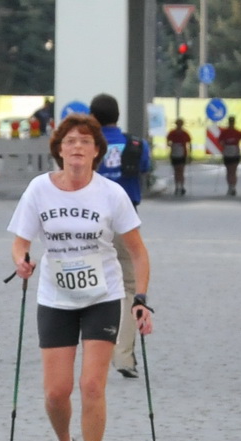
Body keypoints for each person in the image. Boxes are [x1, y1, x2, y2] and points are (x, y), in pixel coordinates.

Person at [8, 113, 154, 441]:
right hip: (55, 297)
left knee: (92, 385)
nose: (77, 148)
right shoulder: (39, 190)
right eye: (70, 141)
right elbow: (20, 241)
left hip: (100, 297)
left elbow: (139, 253)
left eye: (85, 142)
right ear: (59, 148)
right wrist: (22, 260)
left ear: (96, 152)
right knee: (57, 393)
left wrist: (140, 299)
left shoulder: (111, 194)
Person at [89, 93, 149, 378]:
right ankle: (123, 355)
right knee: (128, 286)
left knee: (91, 284)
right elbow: (145, 169)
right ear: (118, 115)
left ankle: (91, 347)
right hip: (126, 223)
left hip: (90, 221)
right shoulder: (136, 144)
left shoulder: (87, 144)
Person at [217, 116, 241, 197]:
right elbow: (219, 141)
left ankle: (233, 187)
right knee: (228, 170)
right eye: (230, 122)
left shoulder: (238, 132)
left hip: (235, 153)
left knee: (233, 170)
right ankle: (230, 186)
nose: (231, 123)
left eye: (232, 122)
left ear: (234, 122)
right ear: (229, 122)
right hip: (227, 152)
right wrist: (223, 148)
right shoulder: (224, 132)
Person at [166, 118, 193, 196]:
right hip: (174, 154)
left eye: (180, 124)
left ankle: (181, 186)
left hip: (182, 154)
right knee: (176, 171)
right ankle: (177, 187)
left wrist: (190, 154)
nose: (179, 125)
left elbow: (189, 143)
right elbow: (168, 142)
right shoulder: (172, 133)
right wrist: (171, 145)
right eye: (178, 124)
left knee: (180, 171)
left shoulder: (185, 133)